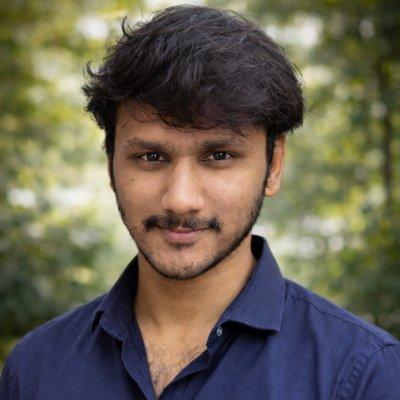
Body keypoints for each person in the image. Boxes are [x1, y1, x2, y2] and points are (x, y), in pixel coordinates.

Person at [1, 4, 399, 400]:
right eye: (152, 156)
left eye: (219, 156)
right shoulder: (34, 368)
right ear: (110, 165)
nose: (180, 200)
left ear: (273, 165)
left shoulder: (364, 374)